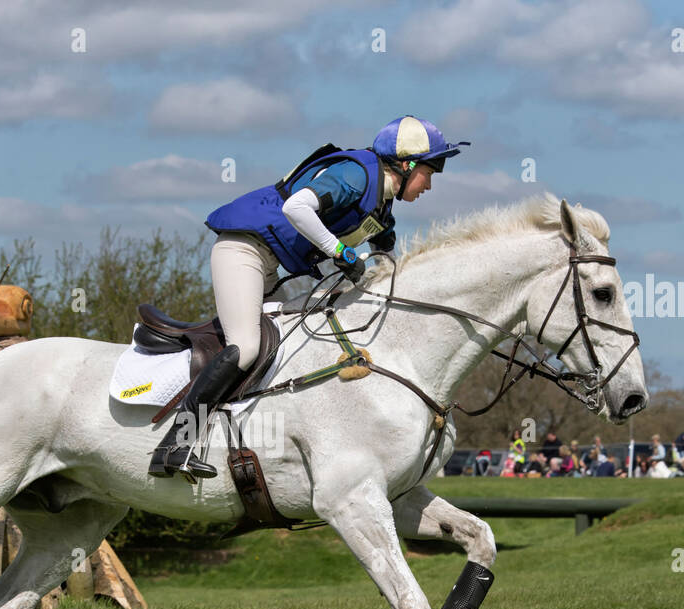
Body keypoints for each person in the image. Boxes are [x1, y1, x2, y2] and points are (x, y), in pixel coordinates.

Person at [150, 116, 470, 480]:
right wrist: (340, 252)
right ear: (407, 164)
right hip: (244, 250)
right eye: (432, 170)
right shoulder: (357, 175)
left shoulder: (382, 206)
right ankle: (174, 445)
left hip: (272, 268)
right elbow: (296, 209)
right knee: (246, 347)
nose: (430, 184)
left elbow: (387, 257)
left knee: (292, 342)